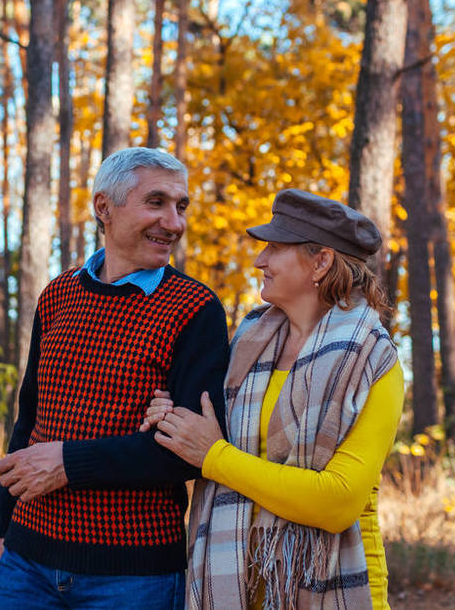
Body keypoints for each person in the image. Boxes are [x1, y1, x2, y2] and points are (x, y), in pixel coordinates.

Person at [0, 147, 230, 609]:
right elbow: (30, 421)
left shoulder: (195, 309)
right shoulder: (57, 294)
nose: (174, 223)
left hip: (133, 576)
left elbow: (192, 454)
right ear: (104, 208)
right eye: (156, 202)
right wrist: (0, 531)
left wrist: (69, 464)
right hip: (25, 561)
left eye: (181, 207)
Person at [146, 189, 403, 609]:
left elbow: (337, 501)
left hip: (331, 589)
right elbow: (211, 428)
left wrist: (215, 457)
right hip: (238, 585)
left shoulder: (374, 361)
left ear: (321, 262)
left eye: (276, 248)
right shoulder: (250, 342)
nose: (259, 260)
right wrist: (174, 416)